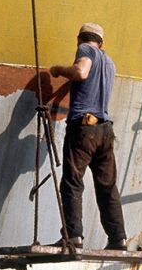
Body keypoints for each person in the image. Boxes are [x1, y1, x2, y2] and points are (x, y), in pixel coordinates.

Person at [48, 22, 127, 250]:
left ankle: (73, 235)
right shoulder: (109, 63)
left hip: (83, 129)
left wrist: (59, 70)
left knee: (72, 182)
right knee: (107, 186)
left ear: (79, 39)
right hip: (105, 130)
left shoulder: (85, 50)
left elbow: (81, 72)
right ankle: (118, 238)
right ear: (101, 43)